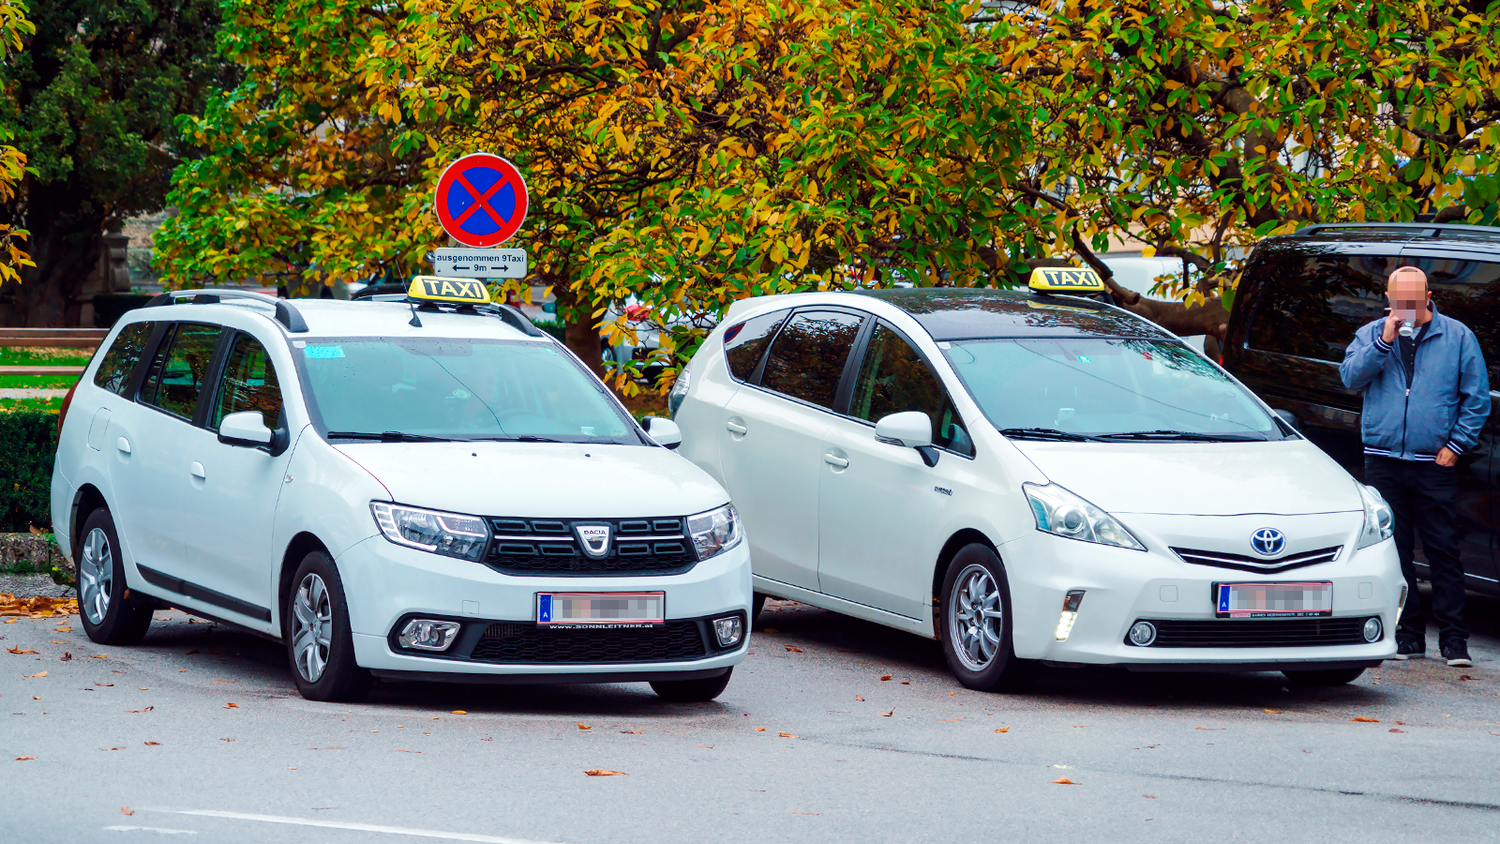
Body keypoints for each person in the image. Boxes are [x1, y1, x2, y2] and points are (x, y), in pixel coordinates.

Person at [1340, 266, 1491, 667]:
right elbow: (1349, 377)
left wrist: (1456, 445)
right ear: (1388, 299)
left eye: (1411, 300)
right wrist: (1383, 343)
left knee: (1443, 549)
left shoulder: (1457, 336)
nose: (1404, 307)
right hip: (1384, 459)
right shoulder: (1373, 333)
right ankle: (1408, 636)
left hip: (1433, 461)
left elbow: (1476, 398)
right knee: (1396, 551)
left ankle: (1454, 640)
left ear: (1428, 296)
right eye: (1396, 300)